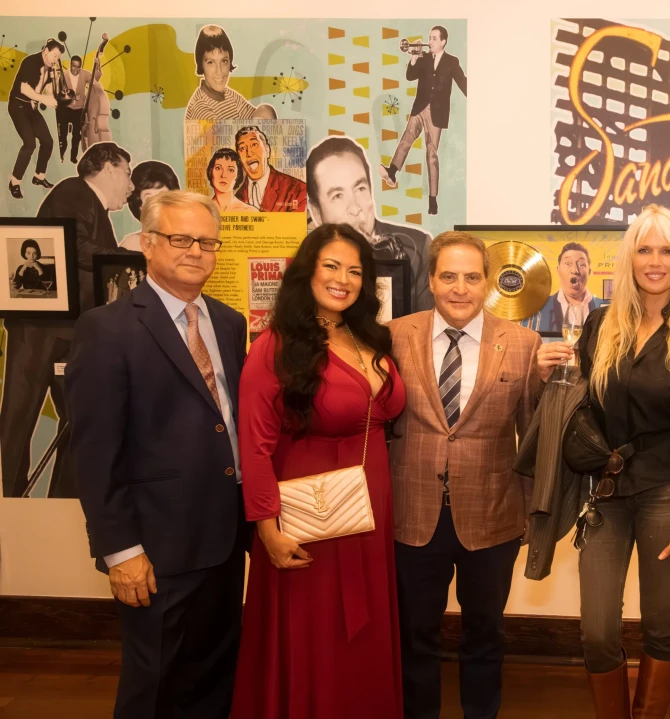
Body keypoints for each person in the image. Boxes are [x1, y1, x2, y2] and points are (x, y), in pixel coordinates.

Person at [66, 190, 247, 718]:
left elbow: (226, 422)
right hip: (155, 547)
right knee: (154, 685)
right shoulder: (107, 328)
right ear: (147, 243)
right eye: (180, 238)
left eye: (207, 242)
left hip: (224, 538)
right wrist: (121, 551)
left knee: (214, 676)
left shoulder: (229, 323)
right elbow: (94, 454)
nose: (195, 251)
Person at [545, 204, 670, 718]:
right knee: (597, 630)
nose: (655, 261)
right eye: (644, 249)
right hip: (606, 494)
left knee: (661, 623)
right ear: (629, 258)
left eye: (667, 251)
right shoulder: (601, 324)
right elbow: (580, 404)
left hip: (669, 492)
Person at [231, 223, 406, 718]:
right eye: (331, 266)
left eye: (355, 270)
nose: (342, 279)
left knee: (364, 631)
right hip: (309, 514)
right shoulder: (276, 345)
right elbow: (255, 446)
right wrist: (266, 528)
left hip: (369, 509)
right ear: (306, 272)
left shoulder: (367, 334)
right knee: (314, 626)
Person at [388, 231, 546, 719]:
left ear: (488, 282)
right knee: (414, 634)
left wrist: (532, 514)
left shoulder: (524, 344)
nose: (460, 289)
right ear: (431, 279)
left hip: (493, 517)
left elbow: (532, 440)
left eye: (472, 277)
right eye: (449, 277)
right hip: (412, 515)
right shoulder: (393, 336)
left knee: (485, 633)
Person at [0, 141, 137, 500]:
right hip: (40, 333)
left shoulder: (90, 204)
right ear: (108, 168)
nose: (131, 185)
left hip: (69, 335)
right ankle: (10, 503)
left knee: (81, 421)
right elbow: (74, 247)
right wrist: (127, 256)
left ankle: (60, 501)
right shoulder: (73, 191)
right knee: (20, 419)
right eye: (127, 173)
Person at [307, 136, 433, 311]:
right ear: (316, 212)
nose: (355, 208)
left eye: (360, 189)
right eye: (337, 196)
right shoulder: (308, 261)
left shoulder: (417, 248)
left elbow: (425, 323)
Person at [378, 25, 467, 216]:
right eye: (429, 37)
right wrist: (414, 57)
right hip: (419, 108)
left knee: (432, 155)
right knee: (406, 138)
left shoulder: (452, 61)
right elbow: (410, 76)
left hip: (437, 113)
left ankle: (432, 200)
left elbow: (463, 82)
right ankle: (391, 172)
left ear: (443, 41)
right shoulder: (424, 58)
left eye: (434, 38)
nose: (430, 41)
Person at [7, 38, 64, 200]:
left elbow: (48, 90)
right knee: (30, 144)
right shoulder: (30, 62)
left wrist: (54, 84)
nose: (56, 60)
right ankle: (14, 182)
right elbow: (24, 88)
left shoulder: (50, 67)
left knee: (48, 142)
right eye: (54, 56)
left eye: (58, 58)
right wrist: (44, 99)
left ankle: (39, 176)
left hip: (32, 108)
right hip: (18, 105)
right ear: (46, 51)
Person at [185, 24, 276, 121]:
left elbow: (255, 117)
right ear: (201, 64)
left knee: (265, 111)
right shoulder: (200, 107)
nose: (219, 71)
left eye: (224, 61)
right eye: (211, 63)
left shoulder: (230, 95)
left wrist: (264, 115)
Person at [524, 241, 605, 333]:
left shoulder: (607, 309)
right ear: (558, 270)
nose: (574, 270)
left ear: (589, 272)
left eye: (581, 264)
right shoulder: (538, 308)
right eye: (567, 263)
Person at [234, 125, 307, 212]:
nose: (249, 153)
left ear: (267, 151)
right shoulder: (236, 198)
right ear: (239, 159)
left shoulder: (298, 190)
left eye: (254, 144)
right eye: (242, 148)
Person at [120, 161, 182, 250]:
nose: (156, 204)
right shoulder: (132, 244)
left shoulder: (187, 241)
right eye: (149, 198)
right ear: (140, 206)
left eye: (162, 197)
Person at [56, 54, 91, 165]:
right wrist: (70, 97)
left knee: (76, 135)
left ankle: (73, 157)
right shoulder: (64, 75)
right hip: (66, 109)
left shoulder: (84, 74)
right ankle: (62, 153)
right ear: (70, 64)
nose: (76, 69)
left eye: (78, 67)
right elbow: (58, 93)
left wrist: (98, 64)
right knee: (63, 134)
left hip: (79, 109)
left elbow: (95, 78)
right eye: (74, 66)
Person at [207, 148, 258, 213]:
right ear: (211, 171)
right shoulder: (204, 210)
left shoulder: (250, 212)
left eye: (231, 170)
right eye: (218, 168)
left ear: (238, 175)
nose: (223, 175)